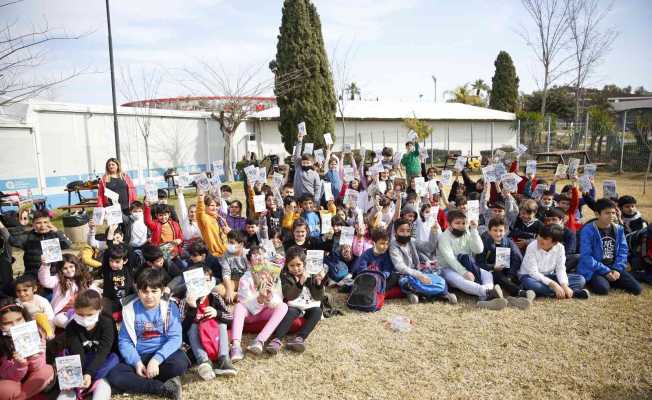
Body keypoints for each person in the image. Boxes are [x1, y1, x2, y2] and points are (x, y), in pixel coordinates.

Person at [107, 268, 189, 399]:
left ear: (162, 291)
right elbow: (125, 341)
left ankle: (137, 383)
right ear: (138, 291)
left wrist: (156, 360)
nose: (149, 296)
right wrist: (136, 362)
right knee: (115, 375)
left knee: (180, 364)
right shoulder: (129, 309)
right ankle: (161, 388)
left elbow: (175, 338)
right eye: (145, 292)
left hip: (164, 357)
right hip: (139, 356)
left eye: (154, 291)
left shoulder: (170, 307)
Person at [437, 210, 507, 310]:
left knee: (488, 274)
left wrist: (474, 230)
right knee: (461, 280)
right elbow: (450, 259)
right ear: (449, 224)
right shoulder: (444, 237)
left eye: (464, 223)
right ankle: (487, 292)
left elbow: (478, 250)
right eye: (457, 223)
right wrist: (464, 272)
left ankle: (484, 296)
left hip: (467, 264)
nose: (461, 226)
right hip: (448, 268)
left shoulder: (467, 233)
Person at [229, 252, 288, 362]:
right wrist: (260, 299)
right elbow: (244, 301)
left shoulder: (274, 277)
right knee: (239, 307)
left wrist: (270, 296)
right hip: (249, 315)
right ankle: (236, 346)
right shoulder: (245, 279)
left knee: (283, 306)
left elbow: (279, 300)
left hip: (265, 313)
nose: (260, 261)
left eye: (263, 258)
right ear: (250, 263)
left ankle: (259, 341)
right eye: (256, 258)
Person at [59, 289, 117, 400]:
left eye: (90, 314)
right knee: (67, 364)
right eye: (80, 314)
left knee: (113, 361)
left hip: (102, 360)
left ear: (100, 309)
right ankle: (71, 389)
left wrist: (89, 373)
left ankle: (97, 383)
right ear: (74, 310)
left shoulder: (107, 322)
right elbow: (76, 351)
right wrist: (76, 375)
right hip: (80, 360)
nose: (84, 319)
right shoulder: (72, 326)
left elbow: (104, 351)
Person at [266, 246, 324, 354]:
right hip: (294, 305)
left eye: (298, 265)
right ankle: (277, 339)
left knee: (318, 311)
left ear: (304, 264)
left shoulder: (311, 274)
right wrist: (300, 282)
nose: (296, 269)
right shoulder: (285, 276)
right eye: (292, 265)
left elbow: (318, 297)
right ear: (287, 266)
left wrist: (319, 284)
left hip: (309, 306)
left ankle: (300, 339)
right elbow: (289, 295)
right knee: (291, 311)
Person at [578, 198, 642, 296]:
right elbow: (586, 256)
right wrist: (606, 271)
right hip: (595, 268)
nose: (611, 216)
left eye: (613, 213)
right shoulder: (587, 230)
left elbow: (623, 250)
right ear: (597, 214)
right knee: (603, 289)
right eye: (607, 213)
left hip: (613, 266)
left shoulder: (618, 229)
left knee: (637, 289)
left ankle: (611, 279)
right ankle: (597, 280)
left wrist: (617, 269)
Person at [182, 264, 235, 380]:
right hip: (198, 343)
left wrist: (217, 313)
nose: (203, 285)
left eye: (206, 281)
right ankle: (204, 362)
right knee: (193, 326)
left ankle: (224, 360)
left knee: (221, 323)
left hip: (216, 339)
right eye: (198, 282)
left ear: (211, 282)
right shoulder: (184, 300)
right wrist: (192, 308)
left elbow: (230, 319)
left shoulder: (214, 296)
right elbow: (182, 329)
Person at [389, 218, 455, 304]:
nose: (405, 234)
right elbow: (400, 266)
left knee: (437, 273)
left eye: (408, 231)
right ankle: (418, 294)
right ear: (395, 232)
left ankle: (444, 293)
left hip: (419, 270)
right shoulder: (393, 246)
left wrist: (433, 233)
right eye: (402, 231)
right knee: (404, 283)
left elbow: (429, 247)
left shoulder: (411, 241)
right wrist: (419, 275)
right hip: (405, 275)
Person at [0, 301, 55, 399]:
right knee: (6, 388)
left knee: (47, 370)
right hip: (12, 380)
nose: (15, 325)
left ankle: (21, 397)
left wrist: (34, 357)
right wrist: (20, 365)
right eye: (7, 323)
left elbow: (39, 367)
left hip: (31, 376)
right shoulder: (2, 343)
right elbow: (7, 376)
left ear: (25, 317)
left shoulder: (36, 333)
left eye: (19, 319)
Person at [519, 225, 590, 300]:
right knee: (530, 284)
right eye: (540, 236)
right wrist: (554, 285)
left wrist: (564, 285)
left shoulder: (560, 248)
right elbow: (533, 273)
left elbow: (561, 268)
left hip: (550, 276)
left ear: (555, 243)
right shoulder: (531, 247)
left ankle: (555, 292)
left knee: (580, 279)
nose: (540, 239)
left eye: (545, 238)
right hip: (530, 277)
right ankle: (573, 293)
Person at [476, 218, 533, 308]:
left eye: (501, 230)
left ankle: (508, 296)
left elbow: (517, 259)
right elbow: (479, 263)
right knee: (497, 274)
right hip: (490, 273)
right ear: (489, 231)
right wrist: (492, 266)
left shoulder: (509, 242)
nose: (498, 233)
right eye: (495, 230)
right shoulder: (484, 242)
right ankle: (520, 292)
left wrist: (510, 275)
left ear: (505, 231)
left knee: (512, 279)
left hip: (507, 273)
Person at [1, 210, 72, 277]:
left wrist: (57, 231)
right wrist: (2, 227)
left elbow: (67, 244)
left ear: (50, 223)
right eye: (38, 223)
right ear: (33, 224)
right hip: (33, 274)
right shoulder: (28, 236)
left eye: (45, 222)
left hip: (53, 274)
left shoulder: (55, 235)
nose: (42, 225)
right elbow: (11, 241)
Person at [38, 253, 94, 328]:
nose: (69, 270)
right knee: (59, 320)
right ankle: (73, 327)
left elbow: (92, 292)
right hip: (63, 312)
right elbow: (45, 281)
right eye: (65, 268)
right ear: (60, 270)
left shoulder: (82, 279)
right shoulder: (58, 279)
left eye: (71, 266)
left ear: (76, 266)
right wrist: (45, 265)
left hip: (80, 310)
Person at [14, 275, 55, 339]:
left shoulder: (41, 300)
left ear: (34, 288)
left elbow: (50, 318)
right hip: (26, 328)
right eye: (18, 291)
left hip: (43, 326)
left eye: (25, 290)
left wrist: (49, 330)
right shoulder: (16, 302)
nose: (22, 294)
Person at [101, 245, 136, 316]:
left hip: (127, 300)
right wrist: (111, 240)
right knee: (104, 313)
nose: (113, 264)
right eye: (111, 261)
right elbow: (107, 253)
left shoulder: (128, 269)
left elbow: (130, 249)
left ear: (125, 261)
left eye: (117, 262)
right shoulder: (107, 270)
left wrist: (122, 242)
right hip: (111, 301)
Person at [217, 230, 248, 304]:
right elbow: (226, 273)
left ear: (241, 244)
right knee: (216, 290)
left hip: (246, 283)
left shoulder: (247, 254)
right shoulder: (225, 255)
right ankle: (239, 297)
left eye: (232, 243)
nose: (229, 245)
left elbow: (250, 275)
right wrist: (229, 290)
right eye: (228, 242)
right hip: (232, 282)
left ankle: (238, 297)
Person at [293, 136, 322, 203]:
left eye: (307, 163)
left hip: (310, 200)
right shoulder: (298, 168)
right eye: (304, 162)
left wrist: (316, 199)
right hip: (298, 198)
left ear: (312, 163)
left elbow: (318, 187)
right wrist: (300, 141)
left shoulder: (315, 173)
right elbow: (297, 155)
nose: (305, 164)